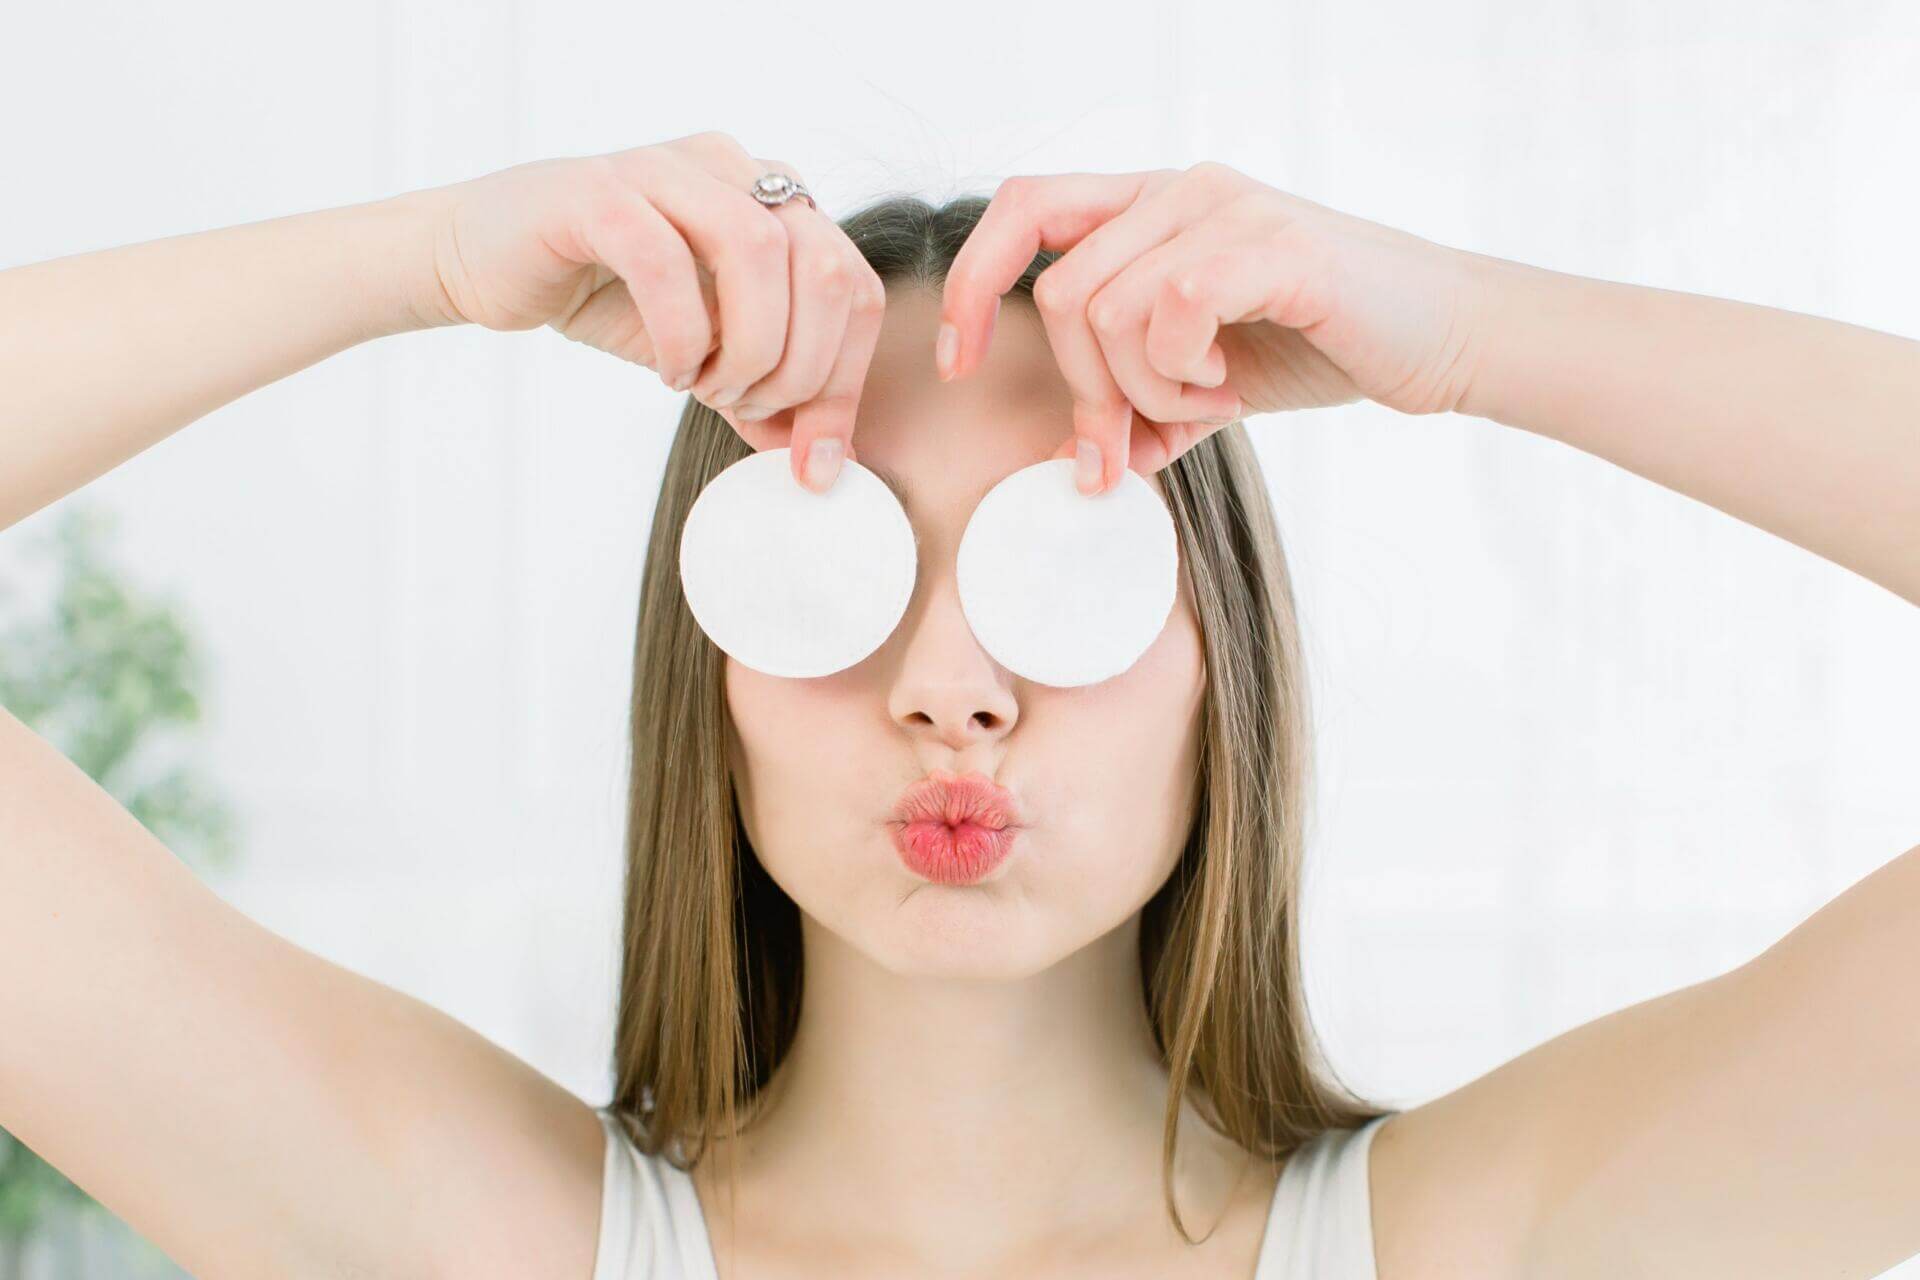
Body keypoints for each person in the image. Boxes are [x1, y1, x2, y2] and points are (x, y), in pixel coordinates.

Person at [0, 129, 1914, 1280]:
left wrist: (1474, 334)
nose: (948, 691)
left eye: (1061, 560)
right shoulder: (473, 1244)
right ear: (712, 665)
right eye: (831, 563)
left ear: (1217, 653)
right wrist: (418, 260)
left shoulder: (1498, 1248)